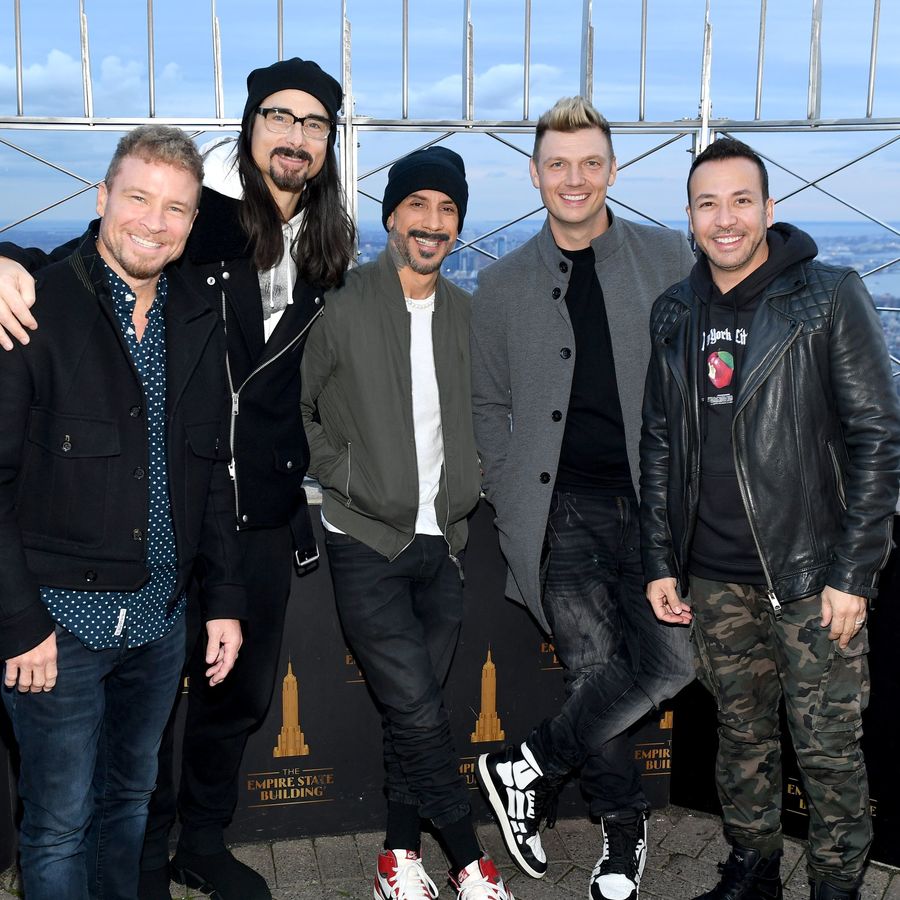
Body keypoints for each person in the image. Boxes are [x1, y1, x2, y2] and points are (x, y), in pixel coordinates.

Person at [0, 57, 355, 900]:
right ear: (251, 125)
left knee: (229, 701)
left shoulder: (332, 246)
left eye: (314, 123)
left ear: (331, 141)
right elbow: (81, 270)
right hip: (135, 512)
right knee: (126, 749)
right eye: (280, 116)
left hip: (247, 507)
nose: (296, 135)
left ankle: (197, 843)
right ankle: (146, 862)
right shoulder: (203, 225)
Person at [639, 137, 900, 900]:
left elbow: (878, 439)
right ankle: (751, 869)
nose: (726, 219)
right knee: (742, 739)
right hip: (713, 577)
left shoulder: (826, 294)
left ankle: (835, 885)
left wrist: (853, 574)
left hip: (811, 577)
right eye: (708, 203)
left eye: (741, 200)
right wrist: (660, 557)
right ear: (689, 217)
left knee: (827, 750)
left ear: (769, 209)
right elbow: (659, 442)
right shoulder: (674, 312)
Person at [0, 125, 245, 900]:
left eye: (176, 208)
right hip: (55, 633)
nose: (153, 221)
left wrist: (224, 605)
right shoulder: (36, 306)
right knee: (59, 824)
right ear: (103, 198)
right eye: (138, 197)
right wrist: (19, 625)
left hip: (157, 626)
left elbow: (209, 474)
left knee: (130, 808)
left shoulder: (196, 317)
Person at [469, 96, 696, 899]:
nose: (575, 178)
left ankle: (524, 764)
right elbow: (486, 406)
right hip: (556, 513)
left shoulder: (670, 257)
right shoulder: (497, 287)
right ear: (535, 175)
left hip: (656, 509)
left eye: (591, 162)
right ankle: (621, 831)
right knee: (593, 669)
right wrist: (506, 487)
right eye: (558, 164)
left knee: (673, 659)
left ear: (612, 170)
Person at [300, 147, 513, 900]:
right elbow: (298, 410)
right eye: (417, 206)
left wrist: (477, 477)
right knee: (420, 709)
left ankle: (397, 856)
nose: (431, 223)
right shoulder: (342, 304)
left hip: (446, 543)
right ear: (391, 217)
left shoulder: (469, 314)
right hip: (366, 540)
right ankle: (470, 860)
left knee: (411, 713)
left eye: (447, 209)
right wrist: (342, 472)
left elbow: (494, 414)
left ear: (458, 225)